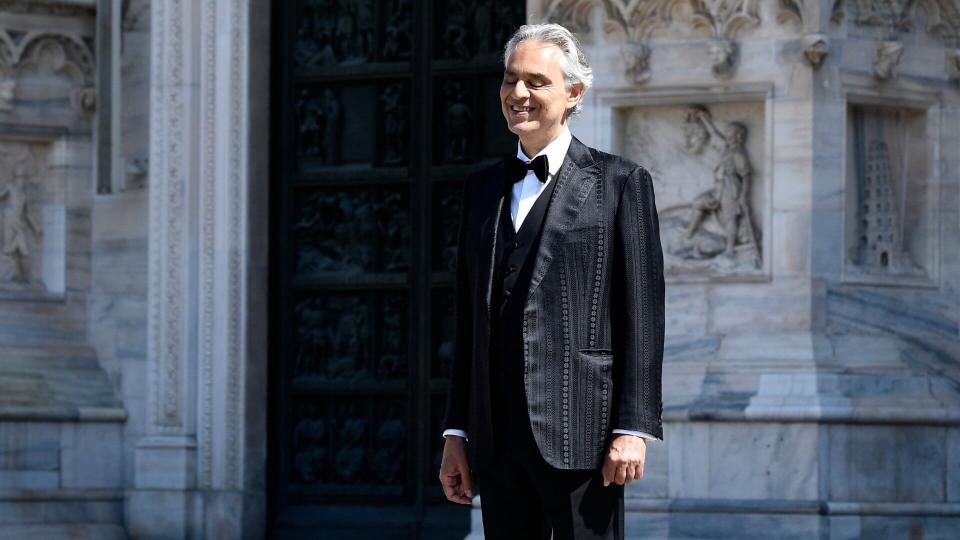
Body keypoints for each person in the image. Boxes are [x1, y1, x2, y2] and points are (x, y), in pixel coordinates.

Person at [438, 23, 665, 539]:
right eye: (510, 80)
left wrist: (633, 428)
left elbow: (643, 316)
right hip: (495, 441)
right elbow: (469, 320)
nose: (518, 93)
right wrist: (456, 431)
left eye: (536, 82)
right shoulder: (480, 188)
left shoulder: (621, 182)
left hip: (582, 432)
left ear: (573, 93)